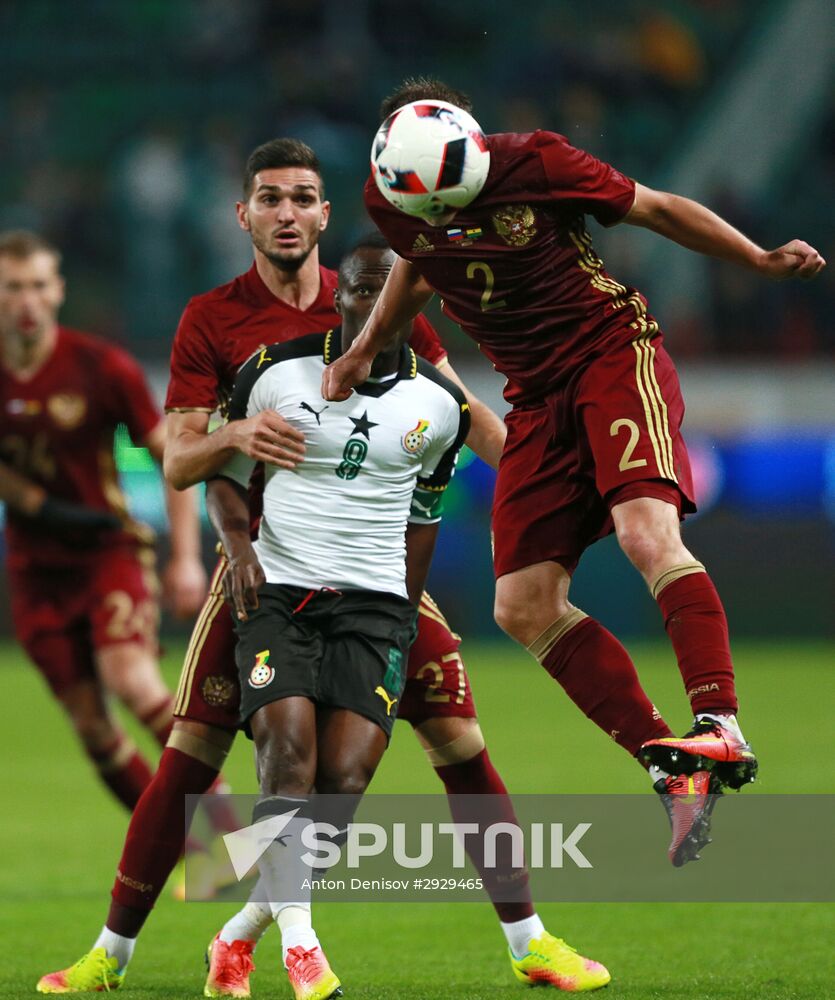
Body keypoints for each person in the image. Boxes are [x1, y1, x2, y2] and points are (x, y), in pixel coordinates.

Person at [37, 142, 604, 995]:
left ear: (324, 215)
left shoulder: (382, 297)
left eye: (303, 198)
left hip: (374, 577)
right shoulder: (214, 320)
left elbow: (462, 414)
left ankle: (527, 940)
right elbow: (182, 461)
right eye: (270, 200)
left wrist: (554, 482)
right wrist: (231, 443)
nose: (288, 214)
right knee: (192, 756)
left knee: (454, 744)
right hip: (264, 572)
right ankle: (109, 955)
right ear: (246, 216)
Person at [321, 78, 827, 856]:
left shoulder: (538, 161)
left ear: (476, 153)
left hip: (608, 356)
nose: (445, 218)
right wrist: (362, 349)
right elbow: (417, 266)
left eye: (455, 201)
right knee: (521, 604)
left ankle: (719, 722)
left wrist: (755, 258)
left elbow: (656, 207)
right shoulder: (394, 199)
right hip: (533, 398)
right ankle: (673, 771)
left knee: (645, 536)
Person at [0, 230, 206, 814]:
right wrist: (35, 505)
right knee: (92, 728)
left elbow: (176, 459)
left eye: (38, 286)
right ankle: (171, 847)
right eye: (13, 288)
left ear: (58, 290)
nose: (26, 302)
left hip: (104, 550)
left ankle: (227, 841)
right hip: (35, 568)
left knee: (134, 682)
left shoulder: (100, 366)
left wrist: (186, 557)